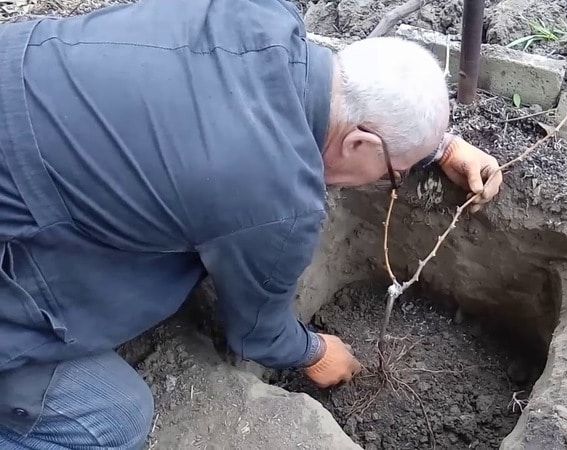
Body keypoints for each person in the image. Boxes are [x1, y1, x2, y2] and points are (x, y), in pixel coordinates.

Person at [0, 0, 503, 447]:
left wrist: (436, 145)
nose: (389, 181)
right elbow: (257, 335)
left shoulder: (261, 12)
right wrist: (315, 351)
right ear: (360, 146)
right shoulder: (278, 204)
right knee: (113, 418)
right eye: (394, 173)